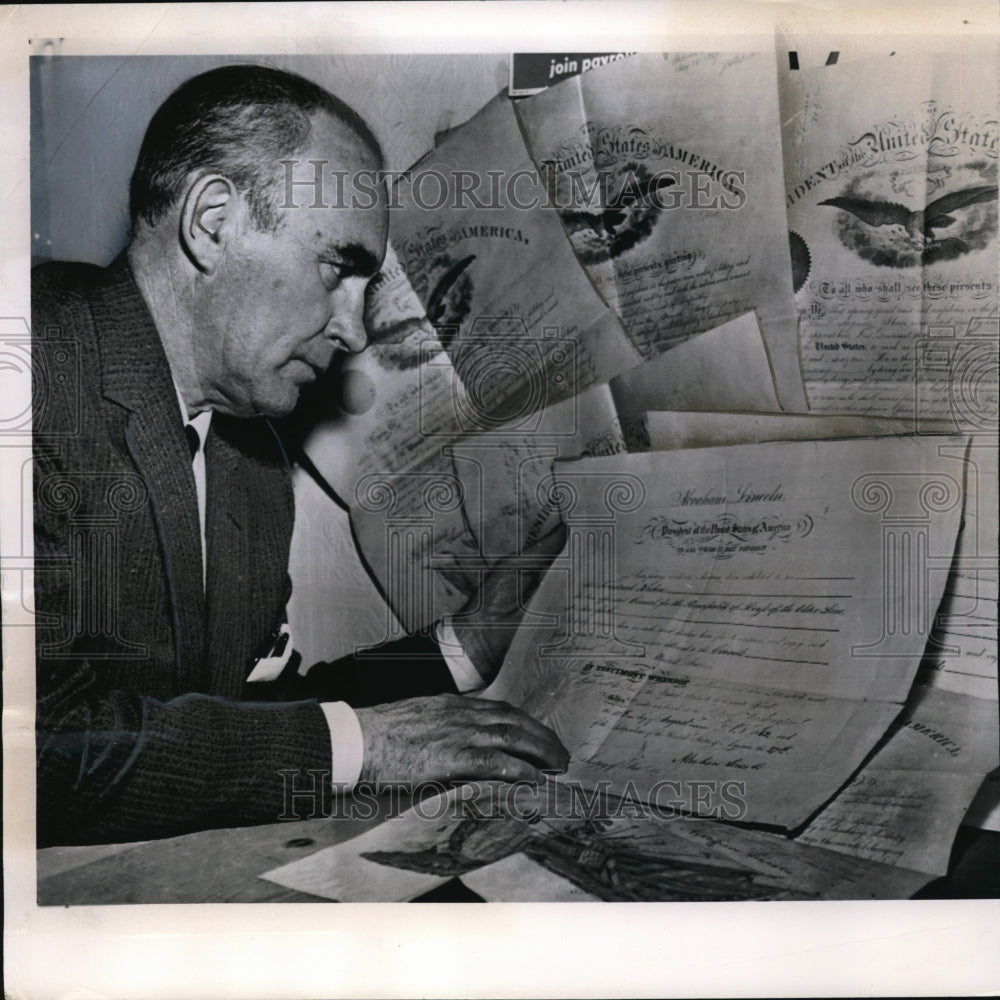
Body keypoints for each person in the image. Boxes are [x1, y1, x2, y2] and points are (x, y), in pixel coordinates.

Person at [32, 63, 568, 847]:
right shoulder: (29, 377)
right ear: (212, 221)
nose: (355, 331)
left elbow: (238, 728)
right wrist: (366, 748)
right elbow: (33, 753)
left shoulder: (250, 457)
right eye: (338, 270)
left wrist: (465, 643)